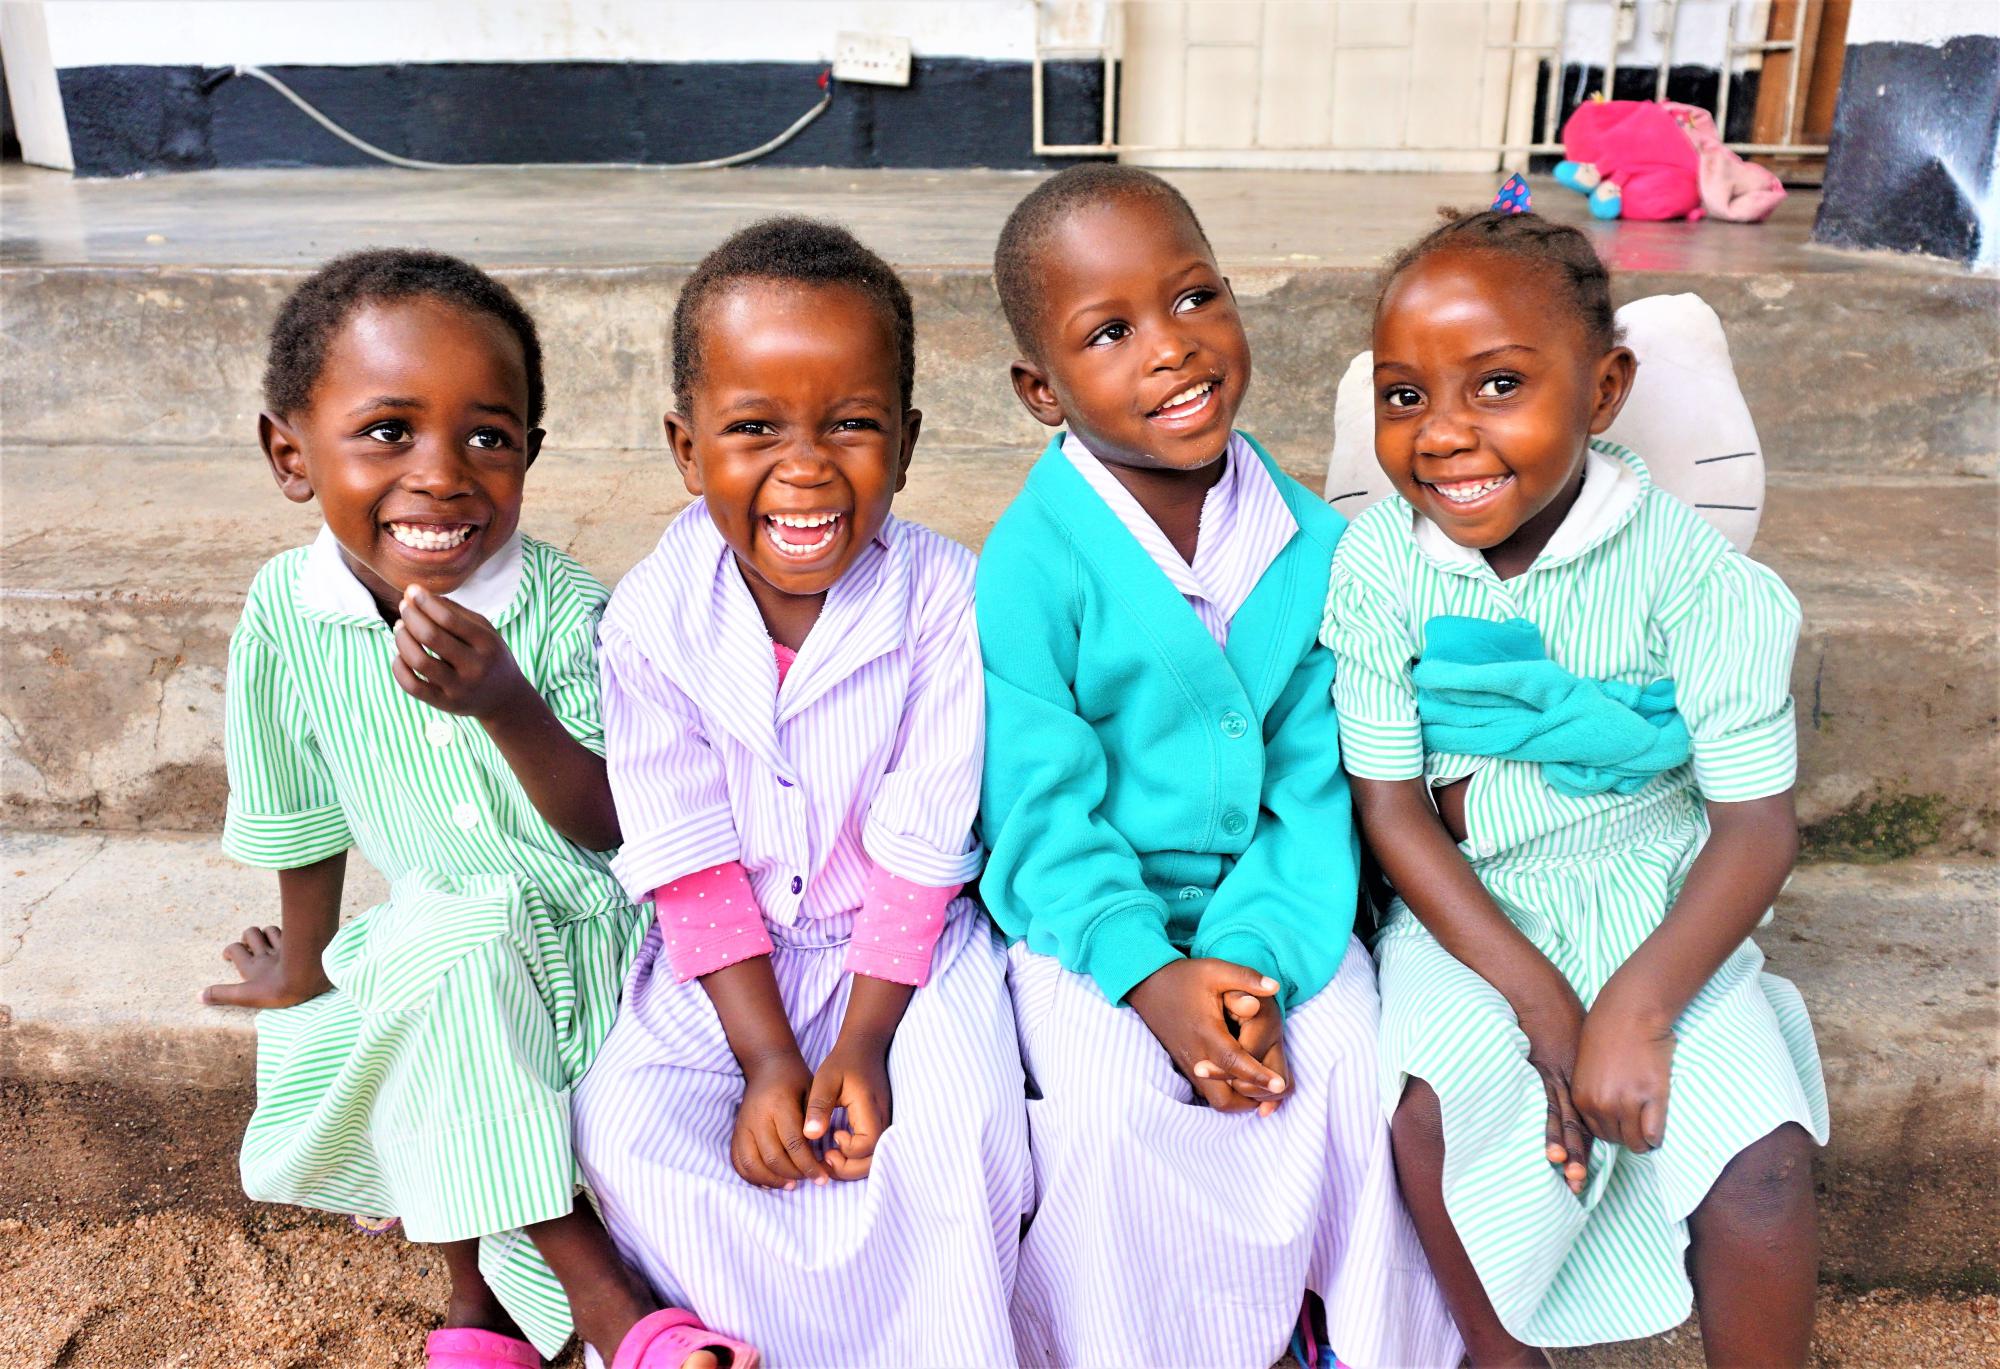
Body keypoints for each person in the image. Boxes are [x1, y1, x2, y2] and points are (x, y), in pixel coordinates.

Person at [205, 249, 746, 1368]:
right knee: (433, 959)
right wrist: (303, 969)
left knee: (444, 961)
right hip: (448, 944)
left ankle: (516, 1312)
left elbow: (615, 823)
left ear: (529, 457)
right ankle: (537, 1301)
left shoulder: (561, 611)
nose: (443, 474)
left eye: (487, 437)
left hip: (593, 944)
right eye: (388, 431)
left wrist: (506, 703)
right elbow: (295, 808)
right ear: (290, 454)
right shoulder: (283, 611)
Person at [1324, 206, 1828, 1366]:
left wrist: (1636, 1010)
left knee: (1759, 1159)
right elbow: (1392, 808)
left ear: (1603, 392)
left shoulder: (1685, 568)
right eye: (1405, 397)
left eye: (1495, 386)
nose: (1443, 436)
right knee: (1429, 1116)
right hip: (1471, 908)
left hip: (1658, 891)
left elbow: (1752, 827)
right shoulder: (1376, 567)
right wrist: (1541, 1001)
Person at [977, 165, 1459, 1369]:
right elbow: (1038, 813)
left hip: (1278, 911)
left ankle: (1340, 1331)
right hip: (1090, 926)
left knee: (1351, 1074)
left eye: (1194, 299)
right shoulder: (1028, 562)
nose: (1171, 350)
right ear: (1041, 389)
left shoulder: (1321, 548)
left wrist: (1251, 955)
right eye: (1110, 332)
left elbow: (1313, 788)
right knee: (1102, 1113)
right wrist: (1148, 974)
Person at [572, 217, 1032, 1367]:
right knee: (622, 1128)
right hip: (728, 967)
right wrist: (767, 1058)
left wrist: (864, 1041)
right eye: (752, 429)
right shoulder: (650, 618)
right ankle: (760, 1342)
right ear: (686, 449)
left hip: (901, 956)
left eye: (851, 424)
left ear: (908, 439)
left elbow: (925, 841)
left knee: (963, 1131)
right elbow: (684, 852)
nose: (805, 465)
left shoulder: (941, 596)